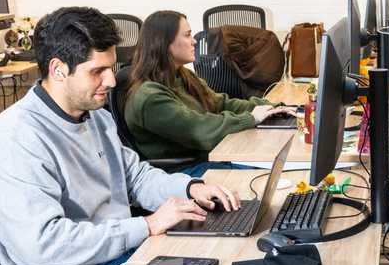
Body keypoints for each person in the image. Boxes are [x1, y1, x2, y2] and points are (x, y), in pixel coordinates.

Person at [0, 7, 241, 265]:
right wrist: (145, 225)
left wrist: (191, 188)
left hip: (120, 258)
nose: (112, 81)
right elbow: (45, 247)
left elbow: (135, 177)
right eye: (97, 71)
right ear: (59, 70)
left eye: (111, 68)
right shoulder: (17, 139)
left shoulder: (95, 115)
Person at [124, 10, 296, 176]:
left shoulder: (182, 75)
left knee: (279, 165)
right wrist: (251, 118)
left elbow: (220, 102)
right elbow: (200, 130)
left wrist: (272, 108)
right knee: (275, 172)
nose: (194, 41)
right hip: (182, 173)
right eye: (187, 35)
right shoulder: (150, 98)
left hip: (210, 158)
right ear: (165, 43)